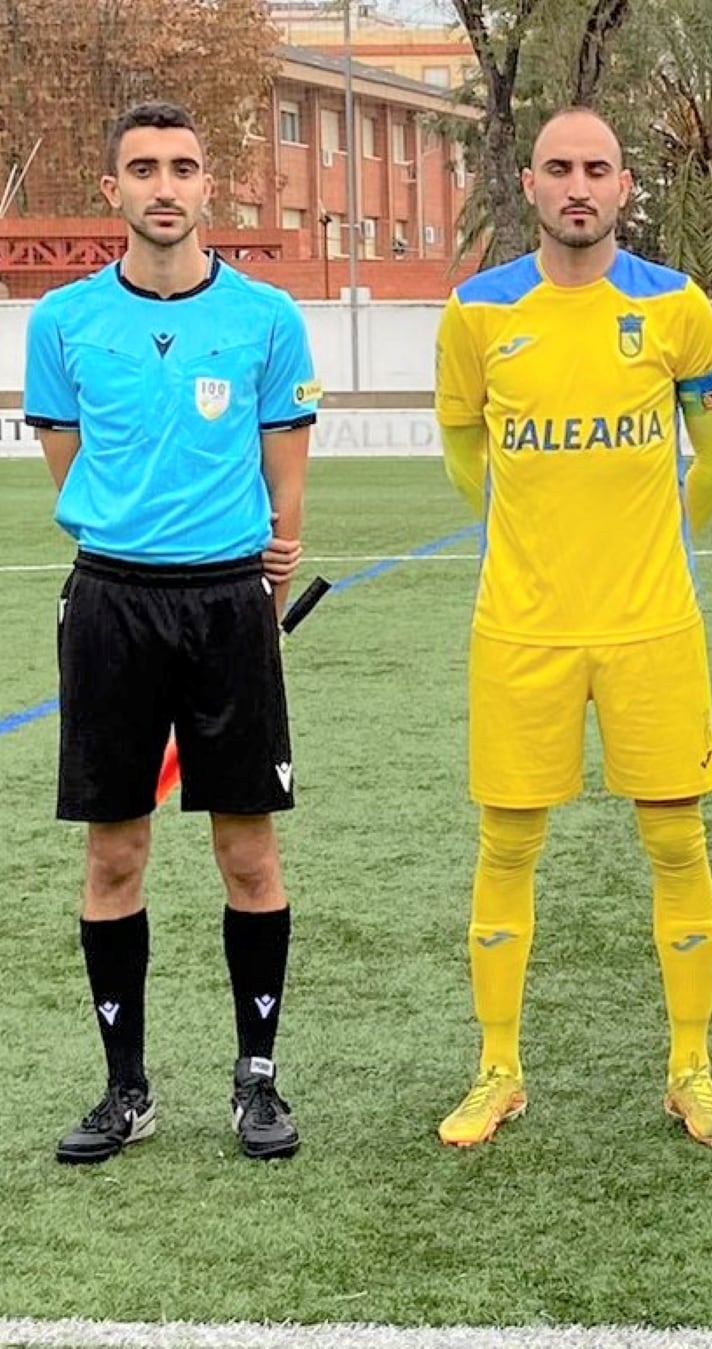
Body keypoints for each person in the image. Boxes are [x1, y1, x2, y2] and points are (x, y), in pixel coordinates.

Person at [433, 108, 712, 1148]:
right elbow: (464, 449)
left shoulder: (677, 307)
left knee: (675, 835)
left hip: (653, 623)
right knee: (508, 839)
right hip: (521, 628)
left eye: (598, 169)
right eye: (560, 168)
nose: (579, 185)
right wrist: (528, 544)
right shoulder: (478, 312)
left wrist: (657, 544)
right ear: (529, 183)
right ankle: (496, 1067)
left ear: (624, 187)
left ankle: (691, 1069)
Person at [23, 101, 317, 1164]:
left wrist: (270, 569)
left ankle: (258, 1080)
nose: (163, 184)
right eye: (141, 167)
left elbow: (287, 469)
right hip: (110, 605)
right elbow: (69, 456)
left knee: (247, 848)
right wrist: (128, 532)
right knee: (116, 853)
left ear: (208, 187)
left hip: (229, 605)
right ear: (112, 190)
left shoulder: (267, 317)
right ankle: (126, 1086)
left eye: (182, 167)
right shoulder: (61, 323)